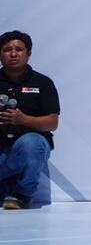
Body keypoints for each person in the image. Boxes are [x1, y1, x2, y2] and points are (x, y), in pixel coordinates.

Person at [0, 31, 60, 210]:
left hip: (27, 149)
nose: (13, 54)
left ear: (29, 54)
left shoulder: (43, 83)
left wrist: (23, 119)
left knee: (31, 143)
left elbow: (52, 123)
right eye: (7, 49)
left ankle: (23, 195)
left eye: (19, 49)